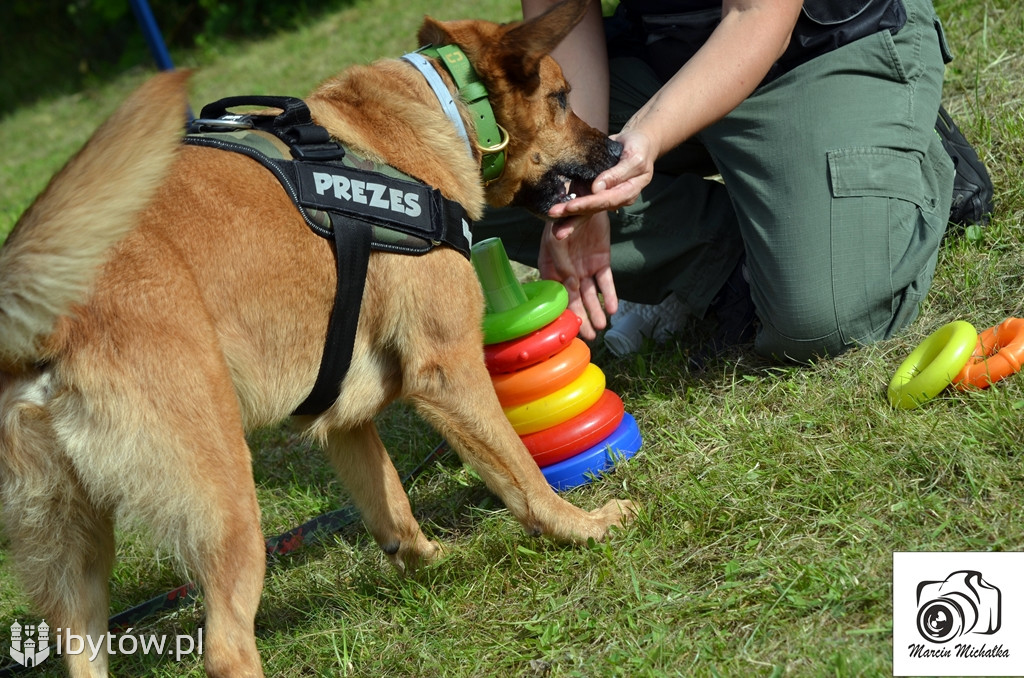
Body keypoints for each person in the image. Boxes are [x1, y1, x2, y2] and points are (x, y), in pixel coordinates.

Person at [478, 0, 956, 362]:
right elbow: (564, 10)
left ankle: (895, 146)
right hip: (661, 54)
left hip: (816, 48)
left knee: (820, 317)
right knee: (457, 167)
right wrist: (588, 174)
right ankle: (730, 264)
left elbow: (755, 16)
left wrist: (647, 135)